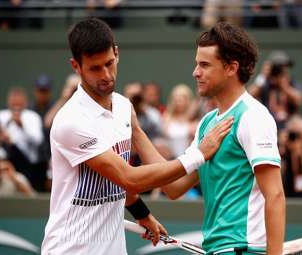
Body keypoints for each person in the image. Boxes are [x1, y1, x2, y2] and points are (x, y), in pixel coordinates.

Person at [41, 18, 233, 255]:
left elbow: (163, 186)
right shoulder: (71, 121)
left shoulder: (123, 107)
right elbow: (128, 178)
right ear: (76, 66)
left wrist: (143, 215)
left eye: (109, 63)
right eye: (94, 68)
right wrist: (199, 154)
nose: (106, 75)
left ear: (117, 53)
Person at [133, 22, 285, 255]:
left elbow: (274, 195)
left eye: (204, 65)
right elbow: (174, 187)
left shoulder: (253, 116)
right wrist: (135, 131)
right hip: (217, 249)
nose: (195, 72)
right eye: (197, 64)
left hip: (243, 249)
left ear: (231, 68)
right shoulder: (207, 123)